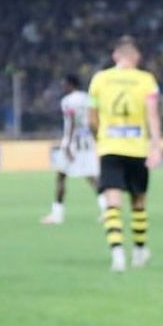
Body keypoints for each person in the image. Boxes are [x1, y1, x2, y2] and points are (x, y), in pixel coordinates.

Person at [89, 36, 162, 272]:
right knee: (138, 201)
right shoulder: (146, 79)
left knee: (112, 203)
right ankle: (139, 252)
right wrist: (156, 146)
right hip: (136, 148)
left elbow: (91, 116)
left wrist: (99, 138)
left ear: (115, 56)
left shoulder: (100, 79)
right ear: (136, 58)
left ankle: (117, 254)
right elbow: (152, 114)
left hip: (110, 147)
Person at [40, 75, 106, 225]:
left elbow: (70, 123)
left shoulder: (67, 101)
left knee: (61, 176)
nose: (63, 87)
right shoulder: (88, 98)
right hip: (87, 141)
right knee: (92, 177)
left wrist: (68, 145)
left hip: (73, 141)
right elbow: (94, 118)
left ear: (71, 84)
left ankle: (57, 215)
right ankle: (107, 211)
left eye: (64, 84)